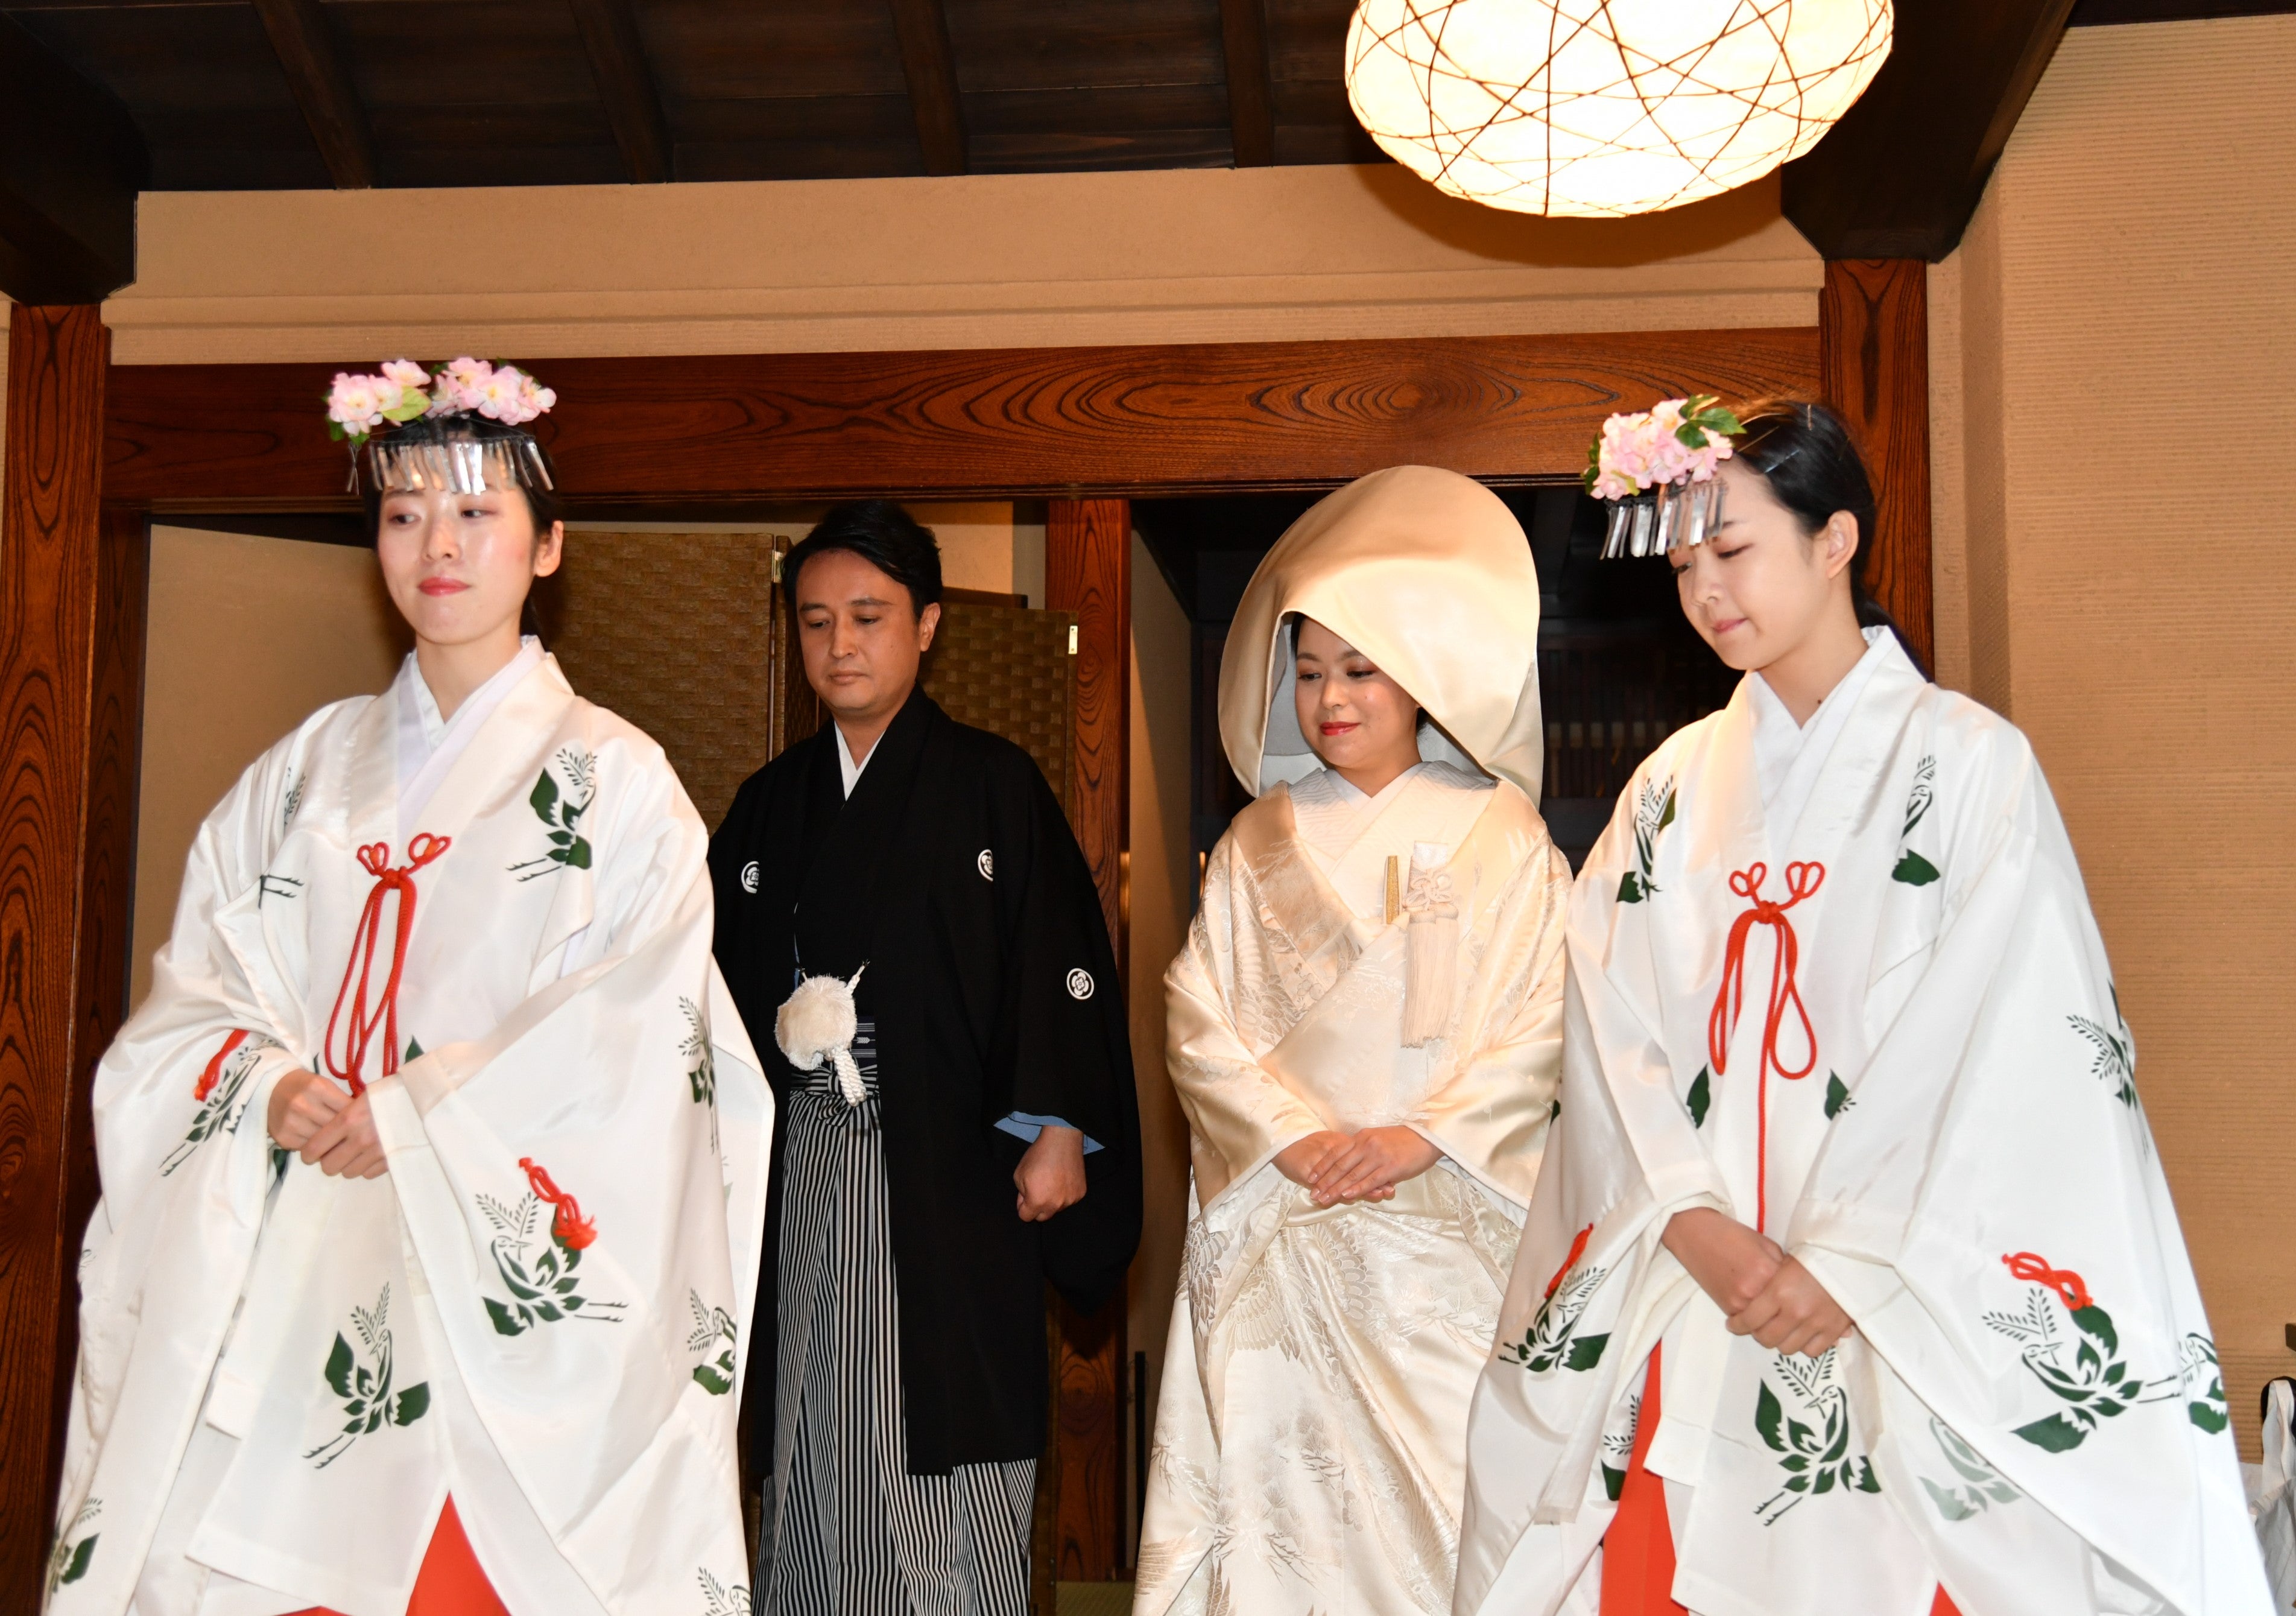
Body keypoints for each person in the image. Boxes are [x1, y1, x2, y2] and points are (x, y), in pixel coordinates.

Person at [1458, 399, 2269, 1616]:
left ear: (1835, 539)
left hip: (1902, 1303)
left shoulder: (1970, 764)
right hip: (1703, 1284)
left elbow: (2003, 1036)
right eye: (1684, 564)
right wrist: (1686, 1215)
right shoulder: (1670, 787)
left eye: (1731, 551)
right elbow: (1605, 1023)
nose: (1705, 590)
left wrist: (1849, 1256)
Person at [48, 360, 773, 1616]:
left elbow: (637, 1033)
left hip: (482, 1291)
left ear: (548, 546)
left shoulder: (617, 782)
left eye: (477, 512)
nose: (437, 544)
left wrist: (421, 1108)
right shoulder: (300, 775)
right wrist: (266, 1086)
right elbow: (192, 996)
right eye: (401, 511)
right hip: (294, 1260)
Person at [1135, 466, 1569, 1616]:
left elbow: (1548, 1016)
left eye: (1361, 670)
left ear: (1419, 680)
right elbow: (1196, 1015)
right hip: (1292, 1230)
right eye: (1311, 672)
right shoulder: (1255, 840)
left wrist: (1422, 1138)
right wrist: (1288, 1138)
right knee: (1284, 1525)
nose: (1331, 699)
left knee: (1454, 1518)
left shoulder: (1503, 834)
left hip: (1442, 1239)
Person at [709, 501, 1143, 1616]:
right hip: (801, 1164)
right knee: (808, 1425)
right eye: (814, 622)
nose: (839, 645)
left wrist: (1056, 1128)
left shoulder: (993, 786)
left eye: (868, 617)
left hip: (951, 1176)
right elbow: (704, 995)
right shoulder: (767, 810)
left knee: (939, 1441)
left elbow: (1060, 961)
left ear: (929, 625)